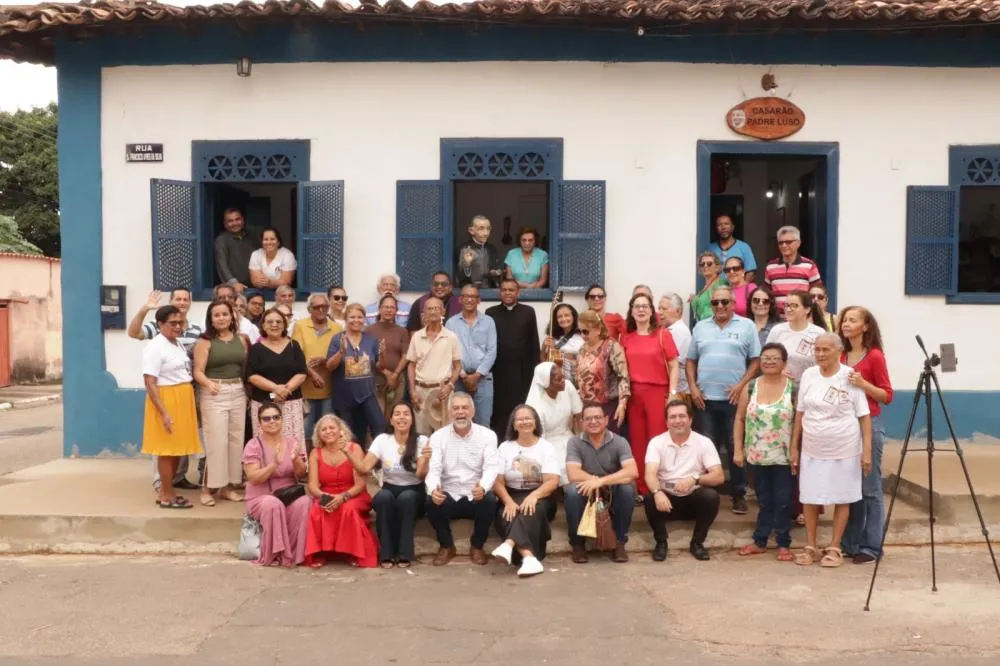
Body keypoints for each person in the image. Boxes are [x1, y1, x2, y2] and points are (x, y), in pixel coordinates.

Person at [792, 333, 872, 568]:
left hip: (844, 446)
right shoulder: (809, 375)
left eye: (825, 349)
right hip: (812, 446)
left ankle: (835, 547)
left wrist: (866, 451)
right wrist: (794, 446)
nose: (820, 354)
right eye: (817, 349)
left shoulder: (850, 376)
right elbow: (800, 412)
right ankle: (810, 545)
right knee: (809, 496)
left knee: (842, 496)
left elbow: (864, 415)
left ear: (839, 351)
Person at [686, 285, 761, 515]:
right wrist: (693, 388)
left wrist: (742, 385)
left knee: (734, 445)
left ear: (733, 303)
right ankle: (707, 495)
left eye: (725, 302)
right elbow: (690, 361)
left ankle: (738, 494)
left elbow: (756, 360)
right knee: (707, 447)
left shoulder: (747, 326)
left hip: (734, 399)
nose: (720, 306)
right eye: (715, 302)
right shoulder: (700, 327)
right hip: (704, 400)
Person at [129, 288, 202, 492]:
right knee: (166, 448)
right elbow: (150, 381)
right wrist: (145, 308)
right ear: (161, 324)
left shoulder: (180, 339)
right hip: (168, 397)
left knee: (177, 446)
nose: (182, 302)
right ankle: (163, 489)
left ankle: (174, 483)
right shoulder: (157, 342)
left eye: (186, 299)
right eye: (178, 299)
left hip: (184, 395)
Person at [344, 403, 431, 568]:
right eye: (397, 414)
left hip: (414, 491)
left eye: (406, 414)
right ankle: (386, 554)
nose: (401, 417)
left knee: (406, 498)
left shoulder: (422, 441)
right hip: (390, 488)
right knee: (383, 498)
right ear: (391, 420)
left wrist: (425, 460)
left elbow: (421, 475)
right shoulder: (382, 440)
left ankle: (405, 553)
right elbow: (364, 468)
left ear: (412, 419)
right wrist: (348, 452)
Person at [839, 306, 894, 564]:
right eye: (844, 320)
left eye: (852, 320)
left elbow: (886, 396)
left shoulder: (874, 356)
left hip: (869, 424)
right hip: (844, 426)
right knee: (852, 489)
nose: (846, 324)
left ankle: (872, 546)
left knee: (870, 489)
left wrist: (863, 384)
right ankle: (851, 543)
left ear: (865, 326)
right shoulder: (840, 355)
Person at [733, 343, 796, 561]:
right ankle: (760, 541)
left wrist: (796, 449)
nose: (769, 361)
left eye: (775, 358)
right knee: (764, 500)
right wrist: (738, 450)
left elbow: (800, 422)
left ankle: (783, 543)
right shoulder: (751, 387)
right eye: (765, 358)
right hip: (756, 455)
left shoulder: (793, 389)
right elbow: (739, 419)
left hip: (784, 456)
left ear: (784, 363)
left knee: (783, 500)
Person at [425, 393, 501, 566]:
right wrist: (434, 489)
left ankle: (477, 546)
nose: (460, 412)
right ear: (449, 412)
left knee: (489, 499)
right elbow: (434, 469)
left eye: (465, 408)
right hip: (449, 493)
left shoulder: (488, 436)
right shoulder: (438, 437)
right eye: (456, 408)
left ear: (473, 411)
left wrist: (483, 487)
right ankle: (446, 546)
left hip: (474, 494)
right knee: (431, 500)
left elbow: (491, 468)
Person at [644, 400, 724, 561]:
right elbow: (650, 474)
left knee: (711, 496)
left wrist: (695, 479)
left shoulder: (704, 442)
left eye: (682, 416)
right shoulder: (656, 442)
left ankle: (697, 543)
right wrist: (657, 492)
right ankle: (661, 543)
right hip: (666, 501)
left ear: (690, 420)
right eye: (672, 417)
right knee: (650, 498)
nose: (677, 420)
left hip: (693, 499)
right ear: (666, 422)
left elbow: (719, 476)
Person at [621, 293, 680, 498]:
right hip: (634, 395)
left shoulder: (663, 335)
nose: (641, 309)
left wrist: (673, 393)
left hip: (657, 392)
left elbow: (674, 365)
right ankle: (641, 488)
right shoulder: (626, 338)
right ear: (631, 311)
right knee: (637, 441)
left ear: (651, 310)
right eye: (637, 306)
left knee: (658, 439)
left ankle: (661, 484)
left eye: (645, 306)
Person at [564, 403, 639, 564]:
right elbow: (573, 474)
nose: (593, 422)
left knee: (627, 489)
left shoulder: (619, 441)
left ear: (606, 420)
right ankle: (578, 544)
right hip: (587, 490)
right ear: (582, 422)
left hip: (611, 489)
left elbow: (632, 472)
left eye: (597, 417)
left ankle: (619, 543)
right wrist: (593, 482)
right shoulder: (574, 442)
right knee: (571, 491)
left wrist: (600, 482)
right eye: (588, 419)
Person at [491, 404, 560, 577]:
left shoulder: (546, 447)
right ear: (514, 425)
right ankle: (529, 558)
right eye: (520, 419)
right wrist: (508, 501)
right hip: (512, 494)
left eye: (528, 418)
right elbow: (497, 482)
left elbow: (553, 480)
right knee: (508, 513)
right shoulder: (505, 447)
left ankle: (508, 544)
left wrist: (534, 496)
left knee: (531, 509)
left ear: (535, 422)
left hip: (542, 495)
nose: (525, 422)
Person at [192, 300, 248, 507]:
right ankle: (207, 488)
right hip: (214, 393)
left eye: (225, 314)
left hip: (238, 392)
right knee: (216, 443)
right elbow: (198, 371)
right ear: (211, 319)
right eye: (217, 315)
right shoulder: (205, 342)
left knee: (235, 442)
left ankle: (226, 488)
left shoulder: (242, 340)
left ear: (232, 316)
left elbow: (245, 368)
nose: (222, 318)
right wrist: (208, 383)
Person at [304, 414, 379, 568]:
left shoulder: (354, 448)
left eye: (332, 427)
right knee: (317, 509)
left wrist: (342, 497)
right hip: (327, 494)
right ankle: (322, 553)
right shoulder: (315, 453)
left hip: (353, 494)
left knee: (347, 509)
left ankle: (352, 553)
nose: (328, 431)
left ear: (341, 430)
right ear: (318, 434)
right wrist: (325, 496)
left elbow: (360, 484)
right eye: (324, 429)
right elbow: (312, 486)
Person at [241, 403, 311, 567]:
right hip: (260, 496)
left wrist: (295, 459)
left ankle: (294, 554)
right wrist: (273, 465)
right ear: (260, 422)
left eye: (276, 417)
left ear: (282, 420)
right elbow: (253, 478)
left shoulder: (292, 442)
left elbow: (301, 473)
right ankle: (274, 555)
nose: (272, 421)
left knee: (305, 502)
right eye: (266, 419)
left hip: (287, 494)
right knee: (273, 504)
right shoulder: (253, 445)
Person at [326, 302, 387, 446]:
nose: (356, 320)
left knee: (380, 426)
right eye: (352, 317)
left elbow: (380, 366)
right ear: (346, 318)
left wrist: (383, 355)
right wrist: (341, 352)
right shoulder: (337, 339)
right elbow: (329, 366)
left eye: (360, 317)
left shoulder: (371, 339)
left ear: (364, 319)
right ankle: (355, 459)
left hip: (366, 394)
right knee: (350, 436)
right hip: (344, 396)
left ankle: (376, 457)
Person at [246, 307, 308, 443]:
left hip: (291, 404)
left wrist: (285, 390)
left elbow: (302, 372)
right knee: (266, 445)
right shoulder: (256, 349)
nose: (274, 325)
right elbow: (251, 375)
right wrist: (275, 388)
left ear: (284, 325)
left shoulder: (294, 345)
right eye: (270, 322)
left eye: (278, 322)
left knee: (292, 444)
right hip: (264, 405)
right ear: (263, 325)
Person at [486, 279, 540, 434]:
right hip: (498, 369)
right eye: (504, 290)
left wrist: (534, 370)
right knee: (499, 406)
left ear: (518, 292)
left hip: (522, 370)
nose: (507, 293)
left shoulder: (528, 312)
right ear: (499, 293)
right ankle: (500, 438)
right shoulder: (491, 312)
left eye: (511, 290)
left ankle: (520, 435)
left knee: (521, 405)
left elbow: (534, 342)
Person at [406, 297, 463, 435]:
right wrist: (412, 390)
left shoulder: (451, 337)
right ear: (424, 313)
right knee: (422, 434)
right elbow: (411, 366)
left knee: (444, 434)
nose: (433, 312)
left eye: (436, 308)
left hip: (442, 392)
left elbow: (457, 367)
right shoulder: (417, 336)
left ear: (443, 311)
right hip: (420, 391)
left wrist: (450, 386)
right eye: (429, 309)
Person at [446, 284, 497, 428]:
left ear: (479, 300)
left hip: (483, 379)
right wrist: (463, 375)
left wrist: (476, 375)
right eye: (466, 296)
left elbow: (492, 351)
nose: (469, 300)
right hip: (459, 379)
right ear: (460, 299)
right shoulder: (451, 323)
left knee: (483, 423)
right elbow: (449, 352)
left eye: (473, 297)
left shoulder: (488, 322)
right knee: (459, 422)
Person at [291, 293, 341, 443]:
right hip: (306, 388)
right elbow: (296, 355)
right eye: (317, 307)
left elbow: (339, 354)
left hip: (329, 388)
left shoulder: (337, 328)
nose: (321, 310)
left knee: (327, 432)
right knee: (305, 432)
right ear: (309, 309)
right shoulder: (300, 326)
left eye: (324, 306)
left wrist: (325, 361)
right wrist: (312, 373)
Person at [525, 361, 582, 485]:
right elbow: (539, 440)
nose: (563, 381)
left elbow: (579, 416)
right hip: (546, 442)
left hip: (569, 438)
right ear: (546, 383)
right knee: (559, 466)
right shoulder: (536, 405)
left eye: (563, 377)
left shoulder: (568, 387)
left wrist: (583, 441)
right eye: (558, 379)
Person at [575, 309, 630, 431]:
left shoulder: (611, 346)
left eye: (586, 331)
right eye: (580, 331)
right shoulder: (582, 349)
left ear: (598, 330)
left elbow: (623, 377)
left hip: (607, 407)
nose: (582, 336)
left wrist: (622, 404)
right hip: (587, 407)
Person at [364, 294, 410, 423]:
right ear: (379, 309)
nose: (389, 310)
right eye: (385, 307)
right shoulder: (369, 330)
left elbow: (405, 355)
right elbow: (367, 356)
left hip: (398, 380)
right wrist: (386, 373)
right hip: (376, 379)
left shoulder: (402, 331)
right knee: (377, 418)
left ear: (396, 310)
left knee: (395, 417)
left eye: (392, 307)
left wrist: (394, 375)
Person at [765, 290, 827, 382]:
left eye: (794, 305)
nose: (788, 309)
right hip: (781, 384)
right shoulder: (777, 331)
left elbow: (826, 361)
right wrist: (778, 371)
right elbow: (765, 358)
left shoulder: (819, 333)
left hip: (811, 384)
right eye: (786, 305)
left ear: (807, 309)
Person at [763, 225, 823, 315]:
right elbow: (766, 294)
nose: (784, 245)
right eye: (780, 243)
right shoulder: (771, 267)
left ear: (798, 243)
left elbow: (817, 294)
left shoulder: (809, 266)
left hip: (801, 318)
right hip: (777, 318)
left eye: (788, 242)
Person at [658, 293, 692, 401]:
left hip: (677, 394)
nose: (660, 312)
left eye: (664, 309)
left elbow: (667, 363)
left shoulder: (678, 331)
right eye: (659, 308)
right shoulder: (668, 330)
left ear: (677, 311)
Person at [214, 207, 256, 293]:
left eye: (237, 219)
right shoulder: (222, 240)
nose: (235, 223)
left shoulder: (251, 238)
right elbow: (222, 265)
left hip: (253, 287)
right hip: (234, 288)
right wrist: (233, 283)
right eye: (230, 221)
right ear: (225, 224)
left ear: (243, 221)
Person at [455, 214, 503, 288]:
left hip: (490, 290)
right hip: (470, 290)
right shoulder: (464, 248)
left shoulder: (492, 248)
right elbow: (459, 274)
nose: (486, 233)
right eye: (481, 229)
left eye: (488, 229)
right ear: (471, 231)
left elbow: (495, 267)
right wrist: (467, 264)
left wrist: (495, 272)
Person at [707, 214, 757, 283]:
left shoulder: (744, 247)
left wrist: (742, 287)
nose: (723, 227)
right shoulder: (710, 248)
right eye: (719, 225)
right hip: (715, 289)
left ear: (732, 227)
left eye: (726, 224)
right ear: (716, 229)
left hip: (737, 288)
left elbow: (751, 271)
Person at [541, 303, 583, 383]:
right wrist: (543, 348)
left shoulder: (582, 336)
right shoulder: (552, 337)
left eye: (567, 315)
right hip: (557, 382)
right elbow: (544, 363)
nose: (563, 319)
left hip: (576, 380)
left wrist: (557, 351)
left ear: (573, 317)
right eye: (559, 317)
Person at [690, 251, 726, 322]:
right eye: (702, 264)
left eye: (709, 264)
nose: (705, 266)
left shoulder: (721, 283)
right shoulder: (705, 287)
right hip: (703, 325)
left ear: (717, 267)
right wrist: (695, 299)